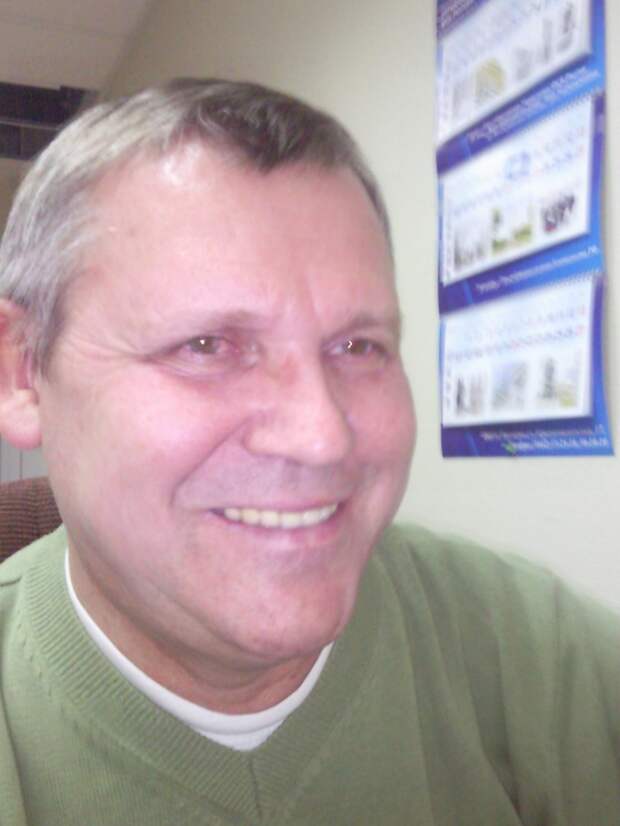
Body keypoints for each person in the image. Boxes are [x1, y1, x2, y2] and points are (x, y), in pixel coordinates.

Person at [0, 79, 617, 826]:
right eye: (207, 346)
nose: (322, 435)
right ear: (23, 372)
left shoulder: (536, 653)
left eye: (358, 347)